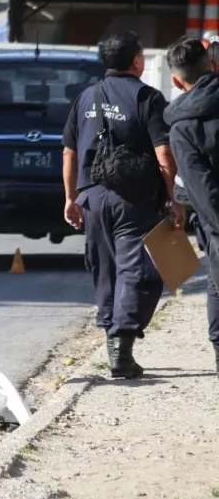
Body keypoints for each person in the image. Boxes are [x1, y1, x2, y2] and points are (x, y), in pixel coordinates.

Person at [62, 31, 182, 379]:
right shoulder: (147, 97)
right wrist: (173, 199)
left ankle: (113, 338)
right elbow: (164, 155)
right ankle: (121, 347)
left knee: (104, 267)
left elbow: (69, 152)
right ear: (136, 61)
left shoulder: (86, 97)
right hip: (135, 199)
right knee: (137, 271)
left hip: (92, 197)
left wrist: (70, 198)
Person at [163, 37, 219, 377]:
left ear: (175, 80)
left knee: (215, 286)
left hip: (215, 223)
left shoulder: (182, 127)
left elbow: (200, 186)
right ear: (211, 65)